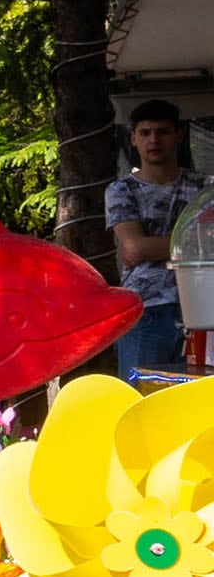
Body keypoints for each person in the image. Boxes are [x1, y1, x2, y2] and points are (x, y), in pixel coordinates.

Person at [105, 99, 209, 378]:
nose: (154, 139)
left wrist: (149, 248)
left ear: (179, 135)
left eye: (162, 131)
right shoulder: (121, 190)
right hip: (145, 310)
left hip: (204, 307)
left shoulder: (205, 187)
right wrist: (191, 244)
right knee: (140, 397)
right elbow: (135, 246)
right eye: (146, 132)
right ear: (133, 139)